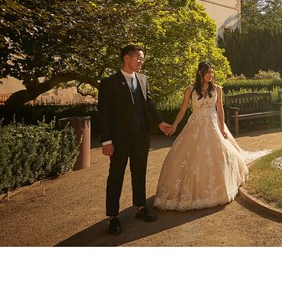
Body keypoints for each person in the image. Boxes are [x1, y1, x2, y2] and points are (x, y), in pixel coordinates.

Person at [154, 62, 269, 211]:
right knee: (189, 158)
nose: (211, 75)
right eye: (208, 72)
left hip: (213, 124)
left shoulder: (217, 89)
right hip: (195, 125)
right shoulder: (190, 90)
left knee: (224, 154)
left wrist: (222, 129)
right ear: (200, 73)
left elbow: (220, 110)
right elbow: (183, 110)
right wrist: (175, 125)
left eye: (212, 72)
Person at [98, 45, 173, 235]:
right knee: (116, 176)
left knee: (139, 172)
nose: (141, 62)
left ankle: (140, 207)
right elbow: (104, 114)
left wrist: (160, 122)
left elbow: (148, 103)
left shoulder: (143, 79)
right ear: (127, 58)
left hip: (141, 136)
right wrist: (106, 141)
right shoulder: (109, 82)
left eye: (142, 59)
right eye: (139, 58)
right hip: (119, 138)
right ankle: (112, 217)